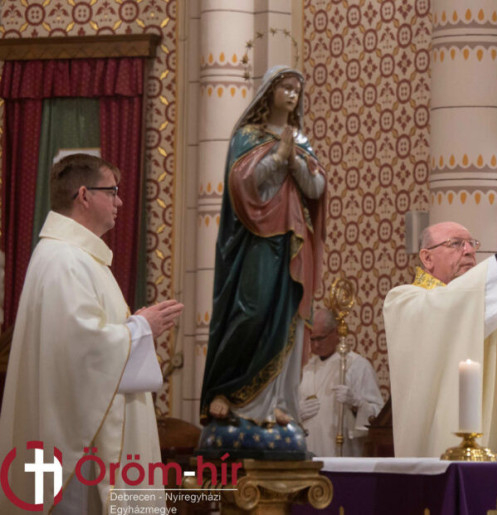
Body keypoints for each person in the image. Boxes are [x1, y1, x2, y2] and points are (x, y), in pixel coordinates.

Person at [0, 153, 184, 514]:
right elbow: (81, 352)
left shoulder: (77, 257)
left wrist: (134, 329)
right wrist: (141, 328)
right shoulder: (65, 260)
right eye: (111, 191)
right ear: (84, 195)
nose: (119, 201)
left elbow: (84, 341)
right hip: (79, 457)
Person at [199, 65, 327, 427]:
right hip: (256, 238)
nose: (292, 95)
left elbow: (316, 188)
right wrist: (277, 157)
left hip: (292, 240)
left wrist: (294, 160)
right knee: (251, 311)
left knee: (287, 318)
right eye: (285, 87)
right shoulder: (247, 136)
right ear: (269, 92)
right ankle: (226, 391)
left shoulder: (300, 140)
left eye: (296, 90)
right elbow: (243, 184)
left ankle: (277, 401)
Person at [383, 220, 497, 457]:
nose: (468, 250)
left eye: (471, 244)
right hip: (446, 446)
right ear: (427, 258)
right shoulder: (405, 302)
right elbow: (450, 306)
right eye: (455, 244)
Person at [299, 309, 383, 456]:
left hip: (341, 452)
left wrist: (357, 404)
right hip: (308, 452)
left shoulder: (356, 366)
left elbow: (378, 417)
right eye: (312, 339)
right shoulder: (306, 369)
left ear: (336, 333)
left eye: (320, 338)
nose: (315, 345)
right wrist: (297, 413)